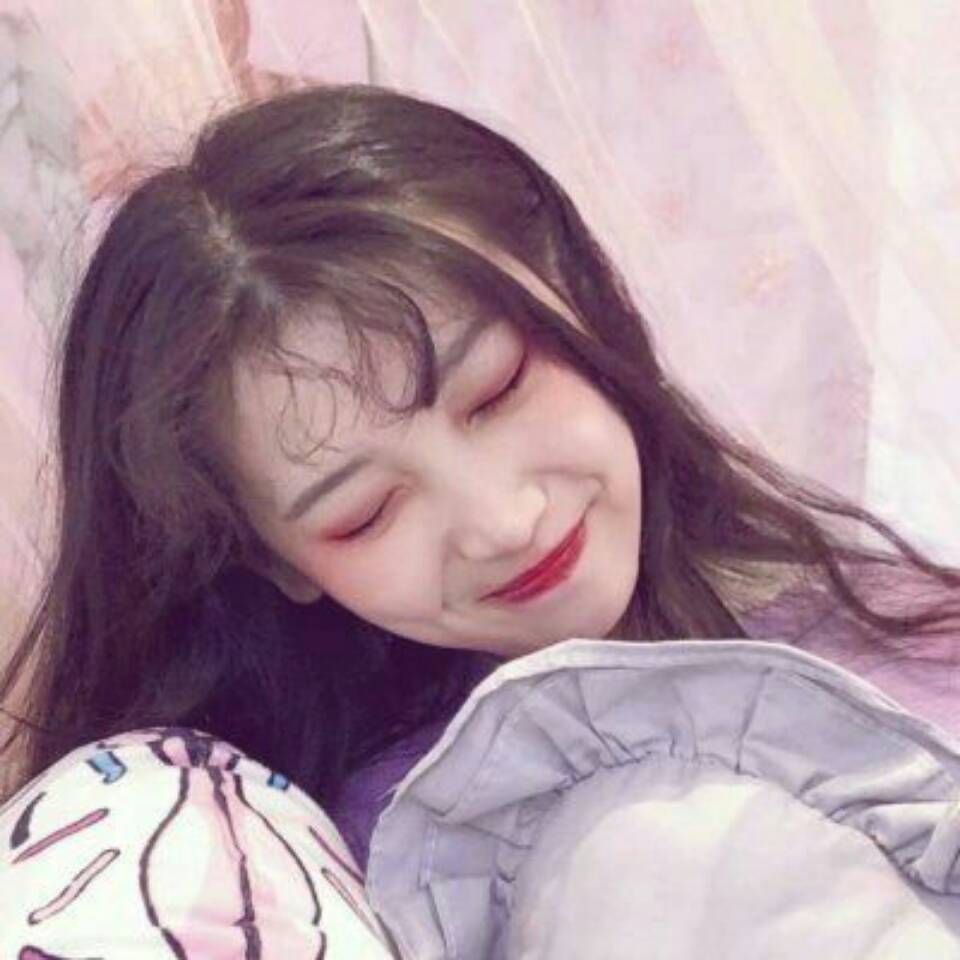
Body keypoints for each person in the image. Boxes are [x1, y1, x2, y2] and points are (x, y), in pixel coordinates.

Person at [0, 82, 957, 955]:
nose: (501, 522)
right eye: (366, 514)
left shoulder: (893, 622)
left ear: (572, 289)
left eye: (497, 391)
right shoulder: (359, 877)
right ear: (276, 563)